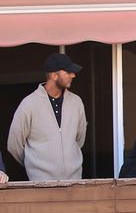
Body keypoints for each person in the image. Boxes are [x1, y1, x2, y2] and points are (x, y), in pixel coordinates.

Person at [6, 53, 87, 182]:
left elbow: (80, 139)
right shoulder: (29, 104)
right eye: (68, 72)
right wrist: (33, 163)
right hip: (41, 184)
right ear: (54, 76)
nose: (73, 75)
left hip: (74, 182)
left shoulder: (76, 102)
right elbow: (13, 144)